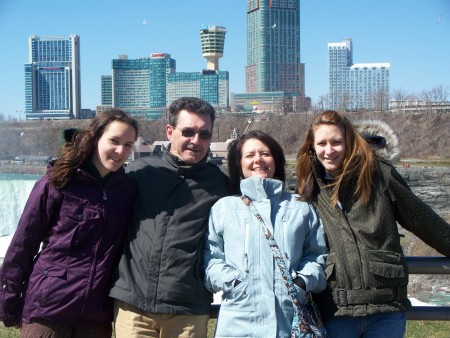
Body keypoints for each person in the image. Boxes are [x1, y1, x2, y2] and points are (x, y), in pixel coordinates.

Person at [295, 110, 450, 338]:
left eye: (336, 142)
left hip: (385, 308)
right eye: (322, 143)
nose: (329, 151)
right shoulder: (310, 188)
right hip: (335, 310)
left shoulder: (378, 174)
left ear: (348, 142)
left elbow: (423, 220)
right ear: (312, 147)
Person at [0, 109, 139, 337]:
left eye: (128, 144)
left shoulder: (127, 190)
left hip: (96, 317)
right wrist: (9, 303)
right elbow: (23, 244)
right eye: (114, 141)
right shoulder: (58, 181)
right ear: (95, 138)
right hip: (48, 309)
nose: (121, 151)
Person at [110, 97, 230, 338]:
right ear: (169, 131)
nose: (196, 141)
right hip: (134, 306)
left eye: (205, 134)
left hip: (187, 308)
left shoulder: (220, 186)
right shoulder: (139, 173)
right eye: (188, 132)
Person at [204, 130, 327, 338]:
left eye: (265, 153)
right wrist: (234, 283)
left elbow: (317, 255)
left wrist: (302, 282)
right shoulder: (223, 208)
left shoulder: (300, 207)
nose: (258, 160)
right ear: (239, 164)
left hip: (290, 323)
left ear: (276, 160)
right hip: (238, 322)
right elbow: (211, 259)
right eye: (249, 155)